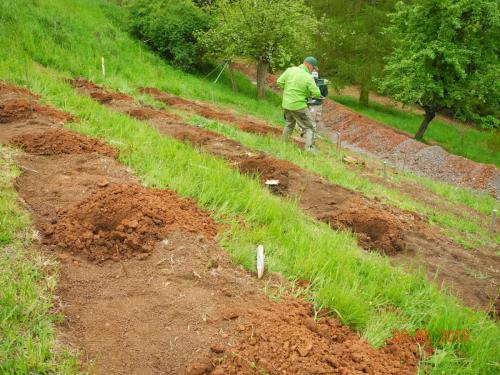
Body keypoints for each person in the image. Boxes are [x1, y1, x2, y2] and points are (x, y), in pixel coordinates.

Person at [277, 57, 321, 151]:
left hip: (287, 105)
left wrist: (289, 90)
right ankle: (310, 150)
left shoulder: (290, 70)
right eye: (313, 68)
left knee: (289, 123)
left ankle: (283, 144)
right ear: (309, 65)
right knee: (310, 127)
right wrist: (308, 93)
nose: (313, 70)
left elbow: (279, 82)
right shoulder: (308, 77)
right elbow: (317, 94)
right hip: (298, 106)